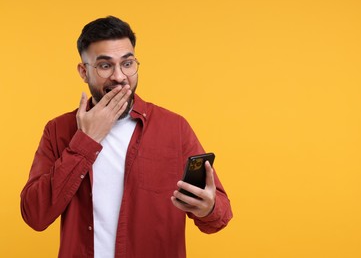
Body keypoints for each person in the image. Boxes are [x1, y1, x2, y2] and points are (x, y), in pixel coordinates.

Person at [20, 16, 233, 258]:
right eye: (105, 66)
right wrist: (85, 142)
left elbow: (219, 216)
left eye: (128, 63)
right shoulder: (58, 130)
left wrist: (208, 208)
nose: (120, 77)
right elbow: (35, 216)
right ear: (83, 71)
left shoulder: (174, 128)